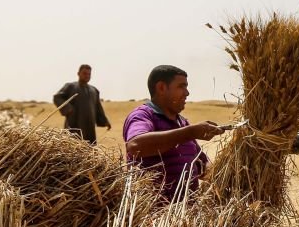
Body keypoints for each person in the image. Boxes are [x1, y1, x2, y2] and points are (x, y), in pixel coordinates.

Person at [123, 65, 224, 201]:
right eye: (181, 86)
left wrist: (226, 172)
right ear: (161, 88)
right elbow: (135, 145)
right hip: (154, 216)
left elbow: (201, 164)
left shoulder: (182, 123)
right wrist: (191, 132)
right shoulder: (143, 115)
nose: (187, 93)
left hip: (185, 216)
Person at [53, 64, 111, 143]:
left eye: (89, 74)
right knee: (72, 149)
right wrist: (68, 108)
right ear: (78, 73)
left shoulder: (94, 91)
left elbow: (98, 108)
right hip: (74, 126)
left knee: (90, 149)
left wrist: (105, 121)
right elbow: (57, 97)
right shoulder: (70, 87)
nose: (87, 76)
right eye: (84, 73)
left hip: (90, 127)